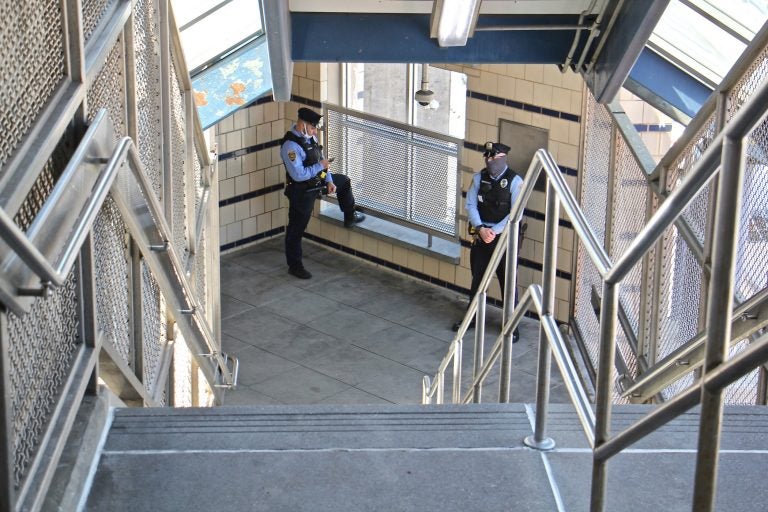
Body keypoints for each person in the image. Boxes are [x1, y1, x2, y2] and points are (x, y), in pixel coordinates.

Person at [280, 107, 365, 279]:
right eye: (312, 128)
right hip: (301, 192)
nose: (314, 131)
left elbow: (322, 162)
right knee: (296, 230)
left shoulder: (311, 138)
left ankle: (350, 215)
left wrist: (329, 181)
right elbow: (298, 175)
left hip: (318, 183)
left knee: (344, 182)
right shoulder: (290, 146)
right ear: (303, 125)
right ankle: (295, 266)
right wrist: (321, 167)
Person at [452, 141, 523, 343]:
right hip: (482, 235)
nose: (489, 161)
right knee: (478, 279)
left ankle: (512, 326)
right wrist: (481, 229)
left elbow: (516, 213)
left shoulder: (515, 181)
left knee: (508, 282)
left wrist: (495, 230)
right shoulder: (478, 178)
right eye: (487, 157)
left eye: (493, 157)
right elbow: (471, 205)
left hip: (505, 237)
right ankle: (471, 319)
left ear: (503, 158)